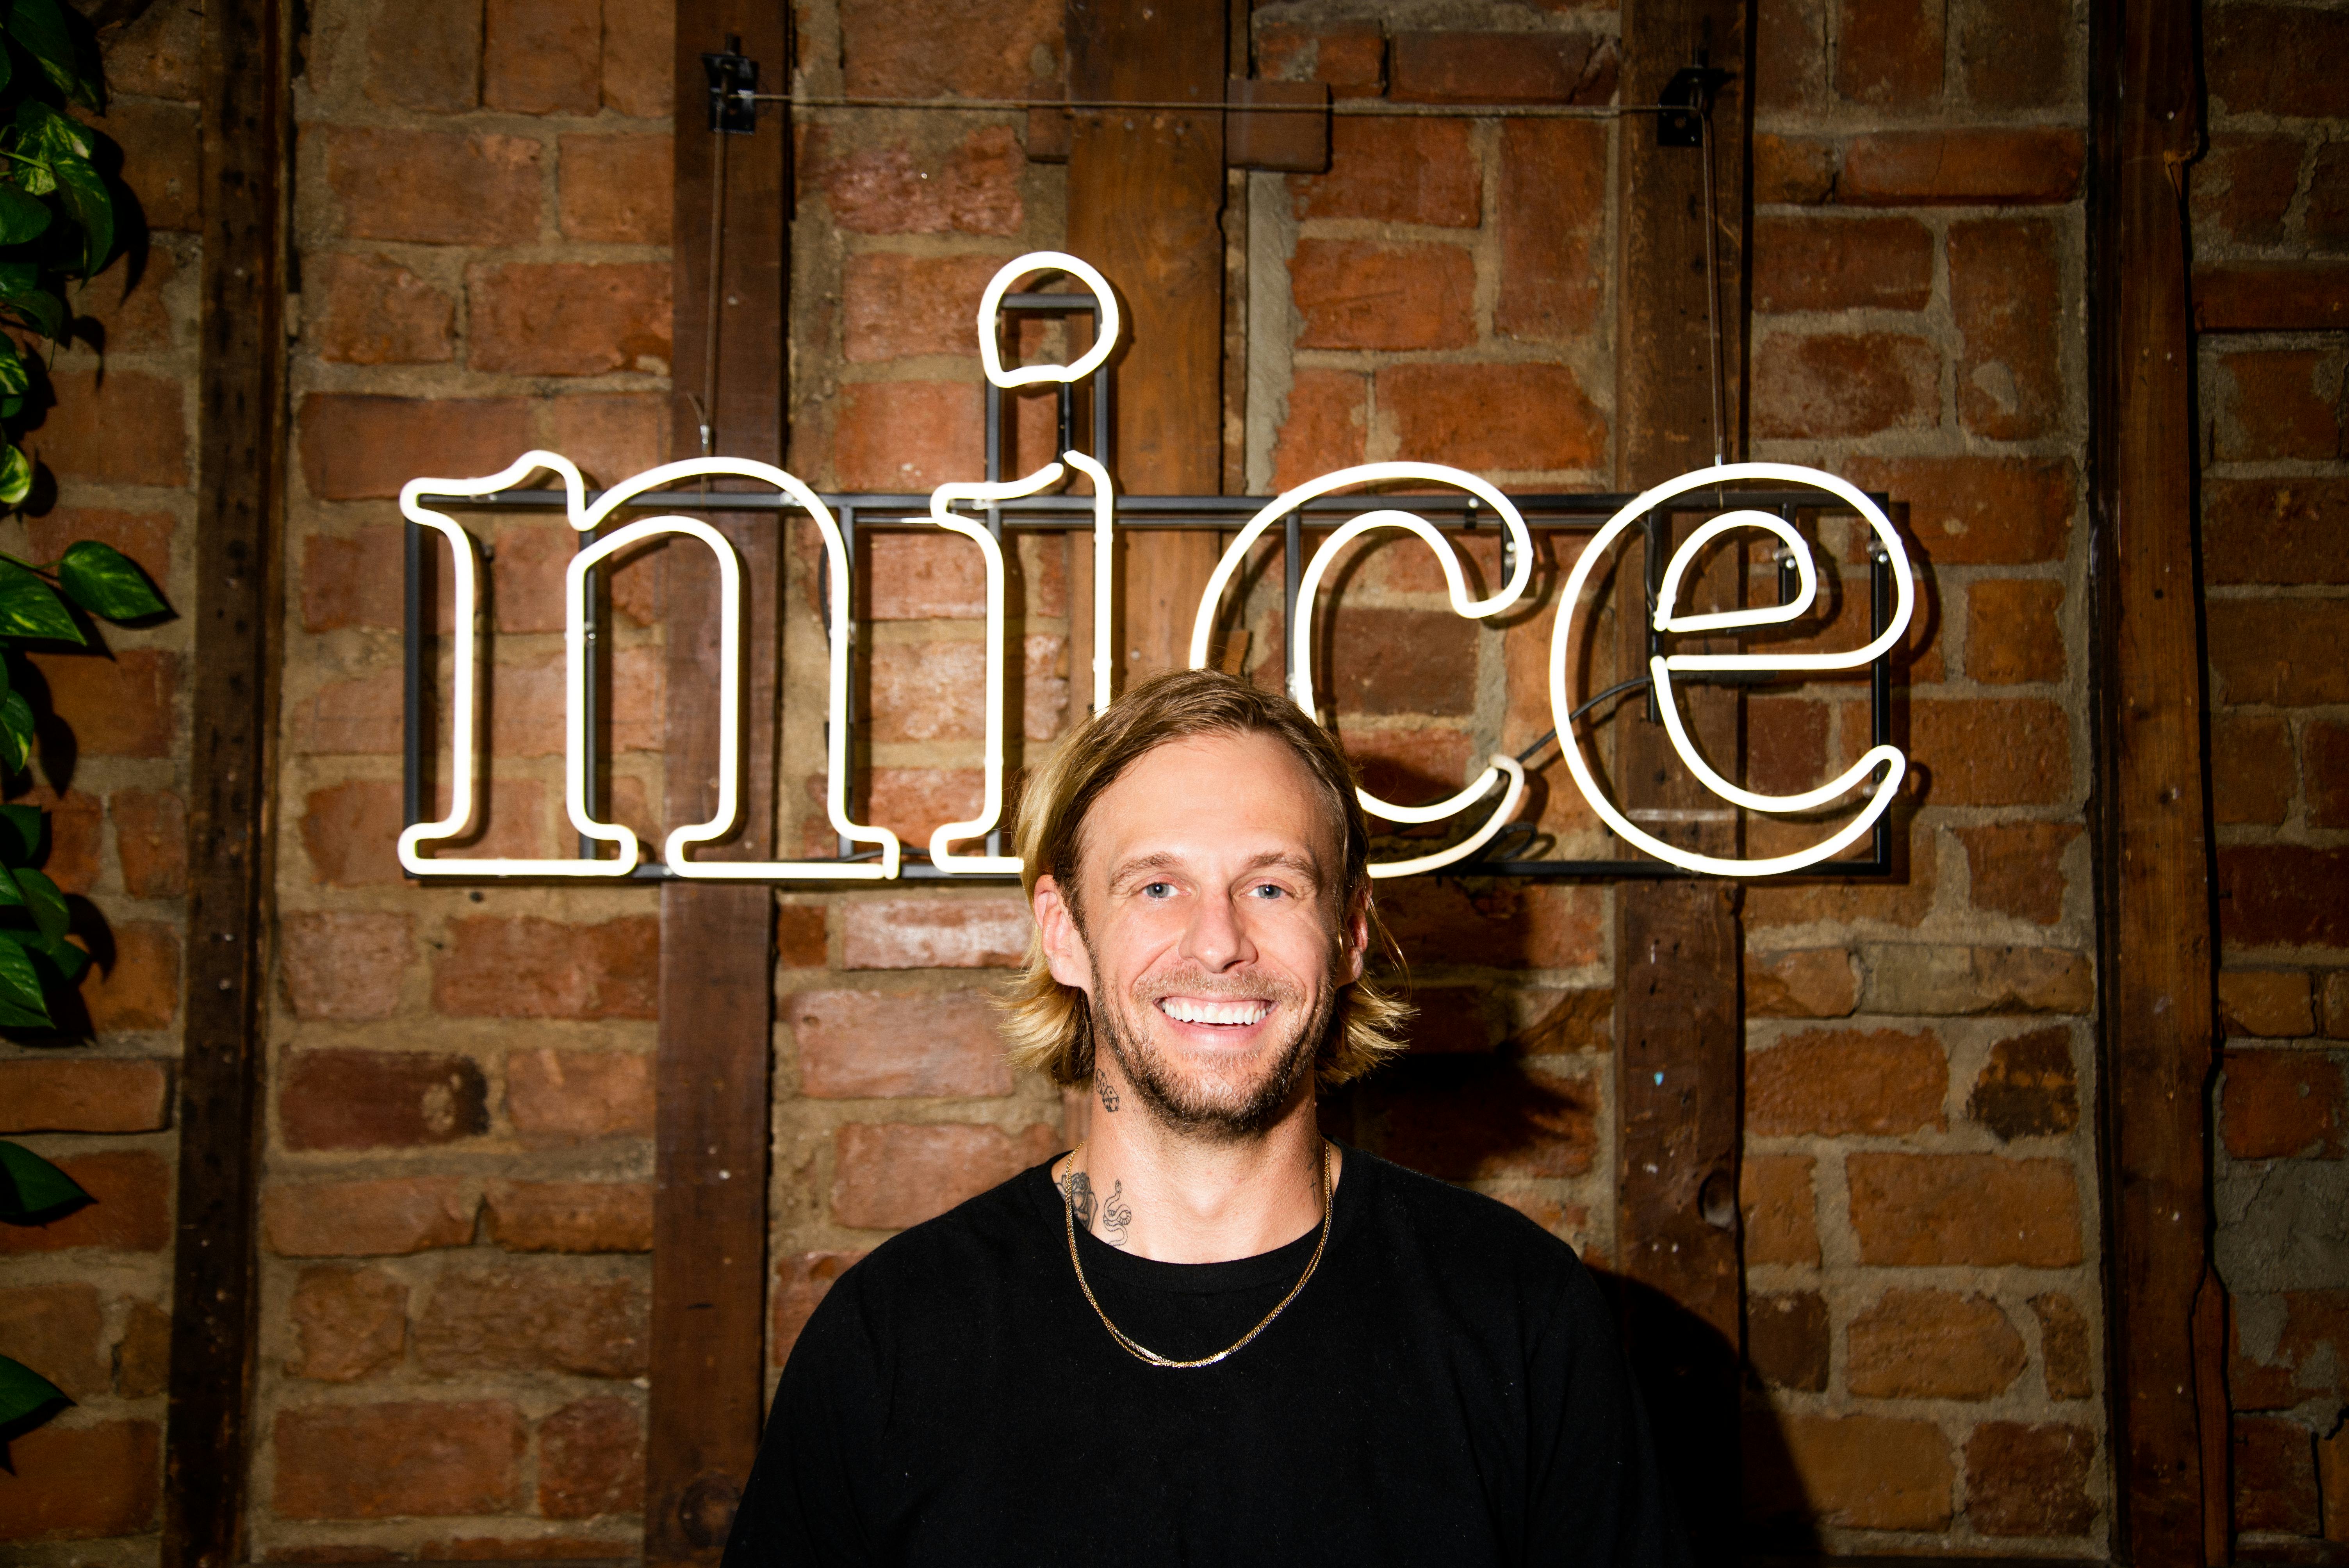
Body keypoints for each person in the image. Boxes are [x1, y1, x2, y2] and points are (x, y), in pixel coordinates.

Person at [723, 669, 1689, 1566]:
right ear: (1062, 930)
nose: (1219, 943)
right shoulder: (894, 1335)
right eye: (1156, 886)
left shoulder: (1519, 1313)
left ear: (1348, 934)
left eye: (1271, 886)